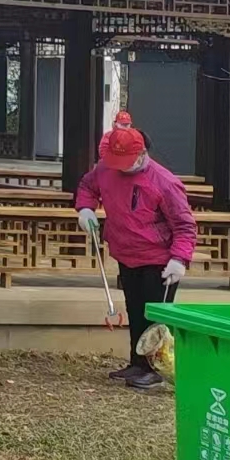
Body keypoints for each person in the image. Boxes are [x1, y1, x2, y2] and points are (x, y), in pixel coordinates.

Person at [75, 124, 195, 389]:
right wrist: (85, 209)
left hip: (158, 259)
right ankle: (137, 363)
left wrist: (179, 259)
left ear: (142, 154)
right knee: (135, 310)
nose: (120, 167)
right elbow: (87, 186)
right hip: (126, 252)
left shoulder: (164, 182)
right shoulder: (105, 169)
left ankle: (156, 370)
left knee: (156, 317)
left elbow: (185, 225)